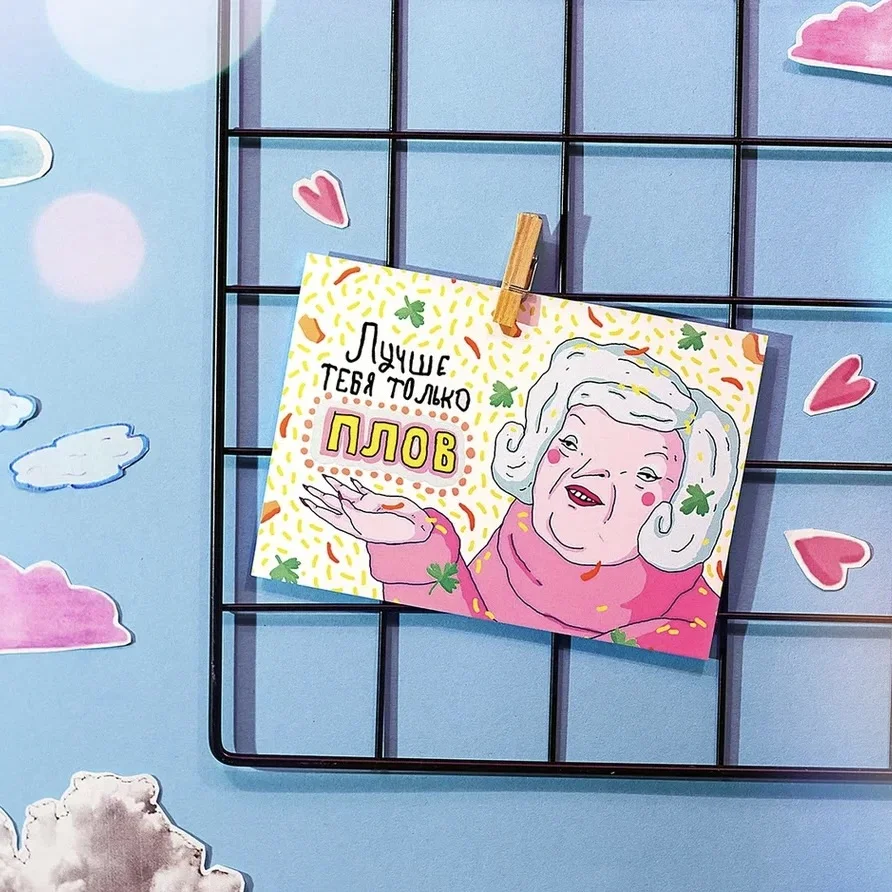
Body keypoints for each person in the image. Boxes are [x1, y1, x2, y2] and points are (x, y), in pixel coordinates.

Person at [302, 338, 740, 659]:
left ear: (676, 508)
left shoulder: (684, 622)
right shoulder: (516, 540)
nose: (588, 473)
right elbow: (460, 627)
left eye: (643, 473)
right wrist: (413, 542)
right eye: (571, 444)